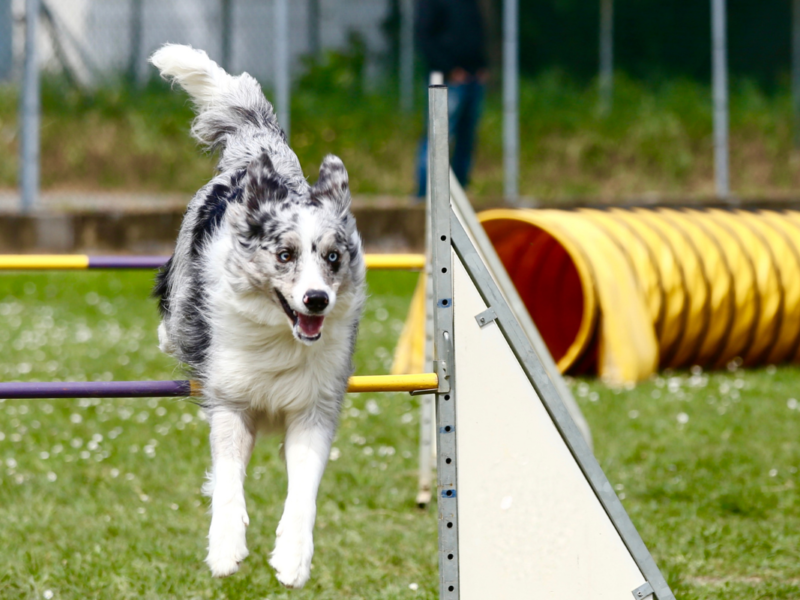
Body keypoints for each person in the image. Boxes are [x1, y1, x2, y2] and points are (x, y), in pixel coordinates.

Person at [415, 0, 488, 198]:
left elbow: (476, 33)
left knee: (466, 141)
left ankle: (457, 196)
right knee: (437, 138)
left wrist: (481, 66)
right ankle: (425, 196)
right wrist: (449, 69)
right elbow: (424, 37)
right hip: (445, 80)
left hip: (473, 79)